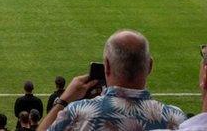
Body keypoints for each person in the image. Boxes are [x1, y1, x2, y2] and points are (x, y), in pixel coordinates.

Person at [39, 29, 187, 131]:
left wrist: (63, 101)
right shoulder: (176, 119)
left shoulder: (78, 113)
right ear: (150, 66)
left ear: (107, 66)